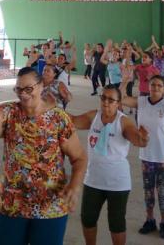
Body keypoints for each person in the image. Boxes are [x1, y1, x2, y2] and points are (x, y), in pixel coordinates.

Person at [0, 63, 86, 245]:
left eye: (29, 88)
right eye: (19, 89)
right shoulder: (10, 113)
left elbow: (79, 158)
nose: (24, 94)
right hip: (12, 204)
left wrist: (75, 186)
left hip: (50, 207)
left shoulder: (58, 118)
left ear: (41, 86)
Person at [69, 85, 149, 245]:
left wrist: (143, 139)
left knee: (116, 223)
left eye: (111, 100)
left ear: (118, 103)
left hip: (117, 182)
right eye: (103, 98)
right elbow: (73, 121)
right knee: (88, 219)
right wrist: (53, 109)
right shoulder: (94, 116)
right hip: (93, 179)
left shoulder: (123, 121)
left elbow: (136, 139)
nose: (106, 102)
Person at [119, 71, 164, 240]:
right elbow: (121, 99)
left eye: (159, 85)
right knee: (148, 191)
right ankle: (150, 219)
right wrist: (125, 81)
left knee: (162, 191)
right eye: (153, 85)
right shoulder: (142, 101)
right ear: (148, 87)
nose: (155, 88)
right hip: (147, 155)